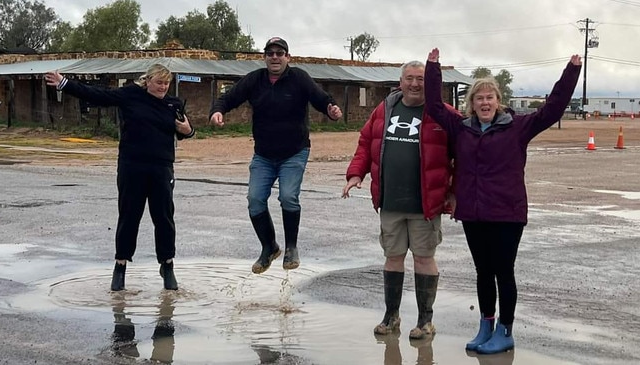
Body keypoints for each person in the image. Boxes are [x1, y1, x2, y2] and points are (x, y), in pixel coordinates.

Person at [424, 48, 582, 354]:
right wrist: (433, 68)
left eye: (490, 98)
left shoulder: (518, 127)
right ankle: (486, 325)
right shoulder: (461, 127)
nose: (485, 103)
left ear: (499, 101)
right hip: (473, 212)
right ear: (471, 104)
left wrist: (571, 72)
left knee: (503, 270)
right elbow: (433, 105)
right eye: (479, 98)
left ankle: (505, 330)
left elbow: (552, 109)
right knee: (483, 271)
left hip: (507, 212)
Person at [44, 64, 195, 291]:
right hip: (131, 166)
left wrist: (188, 130)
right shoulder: (131, 95)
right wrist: (65, 84)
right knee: (129, 216)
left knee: (163, 218)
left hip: (161, 168)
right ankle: (120, 266)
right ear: (148, 81)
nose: (163, 87)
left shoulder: (173, 104)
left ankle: (167, 265)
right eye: (159, 82)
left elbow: (186, 130)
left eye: (166, 83)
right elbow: (99, 95)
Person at [342, 60, 457, 339]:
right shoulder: (385, 108)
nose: (415, 84)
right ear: (401, 80)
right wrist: (356, 174)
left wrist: (454, 191)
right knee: (392, 257)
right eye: (410, 78)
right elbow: (365, 144)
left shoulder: (444, 113)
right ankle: (391, 317)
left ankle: (425, 322)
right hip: (391, 201)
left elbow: (462, 154)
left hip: (426, 204)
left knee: (424, 258)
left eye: (420, 78)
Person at [209, 37, 342, 274]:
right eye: (270, 53)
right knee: (255, 199)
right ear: (265, 57)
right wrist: (218, 111)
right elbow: (228, 97)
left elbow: (321, 98)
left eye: (279, 53)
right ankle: (269, 247)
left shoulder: (299, 78)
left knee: (288, 196)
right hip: (264, 155)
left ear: (287, 57)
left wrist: (331, 109)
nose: (274, 57)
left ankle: (291, 247)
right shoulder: (255, 80)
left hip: (294, 152)